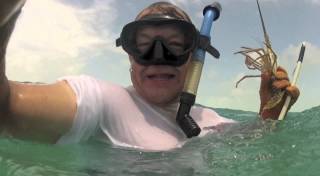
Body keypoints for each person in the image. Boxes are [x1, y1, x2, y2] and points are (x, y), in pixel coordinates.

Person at [0, 1, 299, 151]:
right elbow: (6, 109)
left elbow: (261, 142)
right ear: (129, 54)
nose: (159, 57)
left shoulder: (212, 120)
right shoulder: (104, 102)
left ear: (195, 57)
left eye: (174, 44)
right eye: (144, 45)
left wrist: (269, 113)